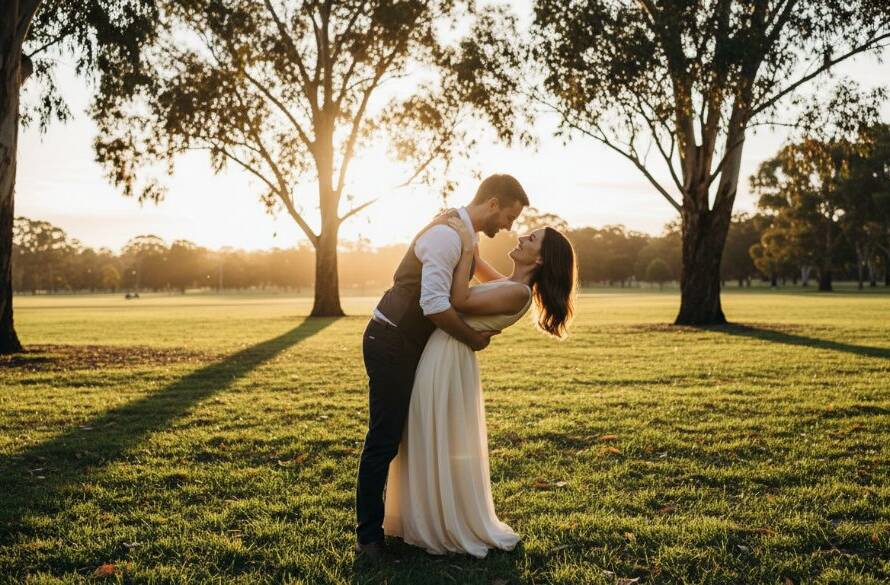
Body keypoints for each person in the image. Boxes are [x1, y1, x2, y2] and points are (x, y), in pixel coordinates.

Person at [355, 174, 529, 562]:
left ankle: (413, 519)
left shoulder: (463, 236)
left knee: (407, 435)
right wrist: (472, 338)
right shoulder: (448, 237)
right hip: (390, 340)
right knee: (384, 439)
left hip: (410, 344)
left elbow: (499, 288)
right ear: (494, 204)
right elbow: (434, 304)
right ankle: (369, 539)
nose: (509, 227)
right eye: (509, 216)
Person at [382, 217, 576, 558]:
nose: (521, 237)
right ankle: (424, 516)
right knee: (427, 433)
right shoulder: (511, 283)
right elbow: (478, 269)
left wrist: (468, 246)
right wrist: (467, 236)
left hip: (447, 359)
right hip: (446, 353)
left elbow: (459, 299)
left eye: (531, 238)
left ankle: (442, 523)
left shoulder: (517, 294)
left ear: (540, 259)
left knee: (433, 433)